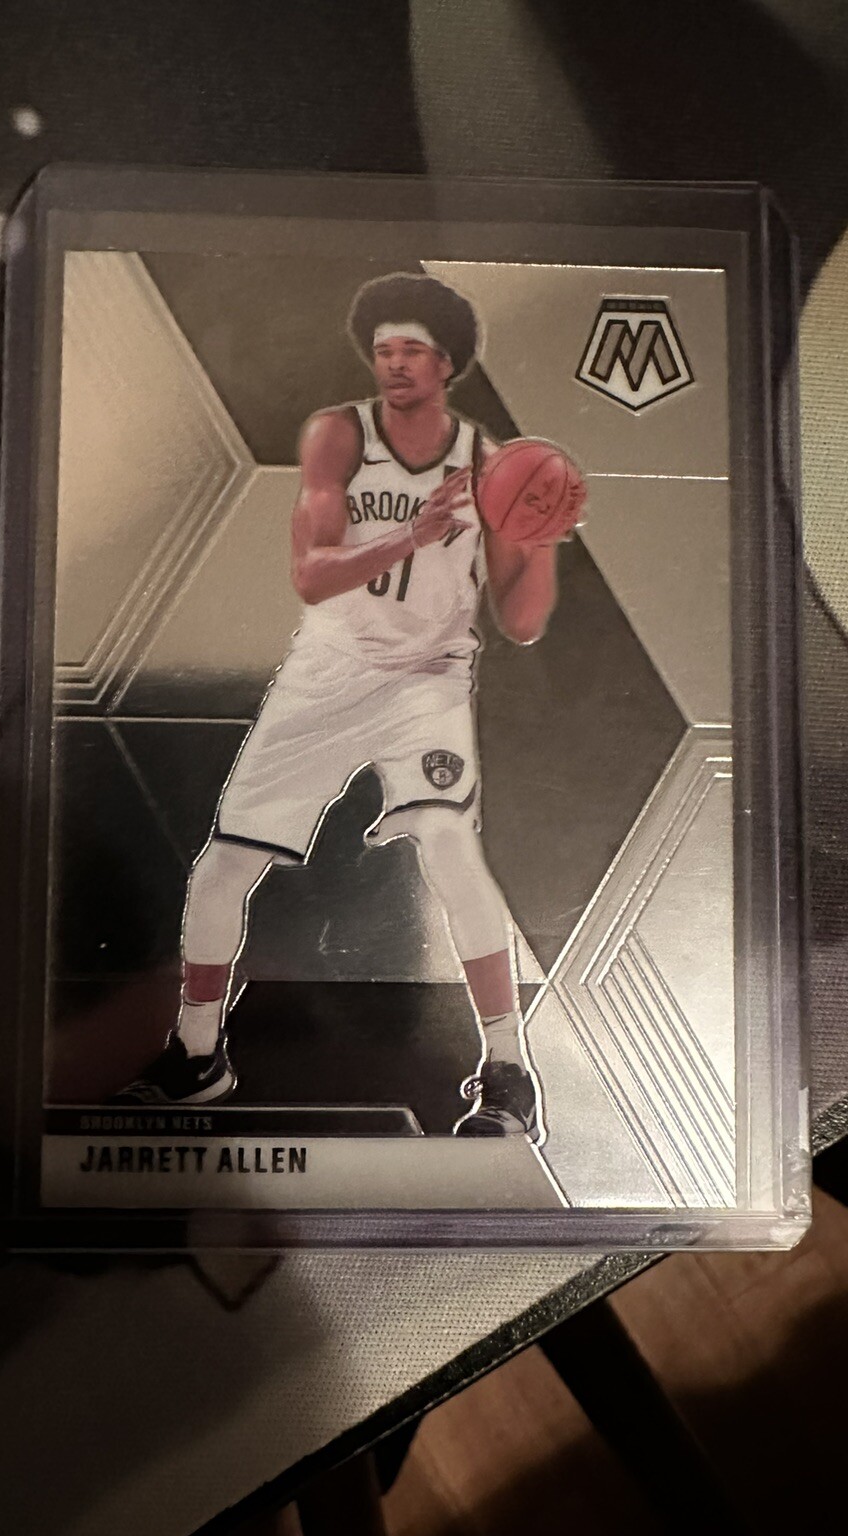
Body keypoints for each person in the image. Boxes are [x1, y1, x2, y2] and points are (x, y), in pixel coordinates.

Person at [113, 273, 582, 1137]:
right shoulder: (338, 435)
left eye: (412, 350)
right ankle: (198, 1055)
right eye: (383, 350)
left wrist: (541, 539)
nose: (394, 363)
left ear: (447, 364)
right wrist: (412, 534)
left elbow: (519, 622)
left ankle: (509, 1070)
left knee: (450, 846)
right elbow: (310, 574)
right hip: (326, 674)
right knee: (220, 870)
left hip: (427, 680)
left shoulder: (489, 464)